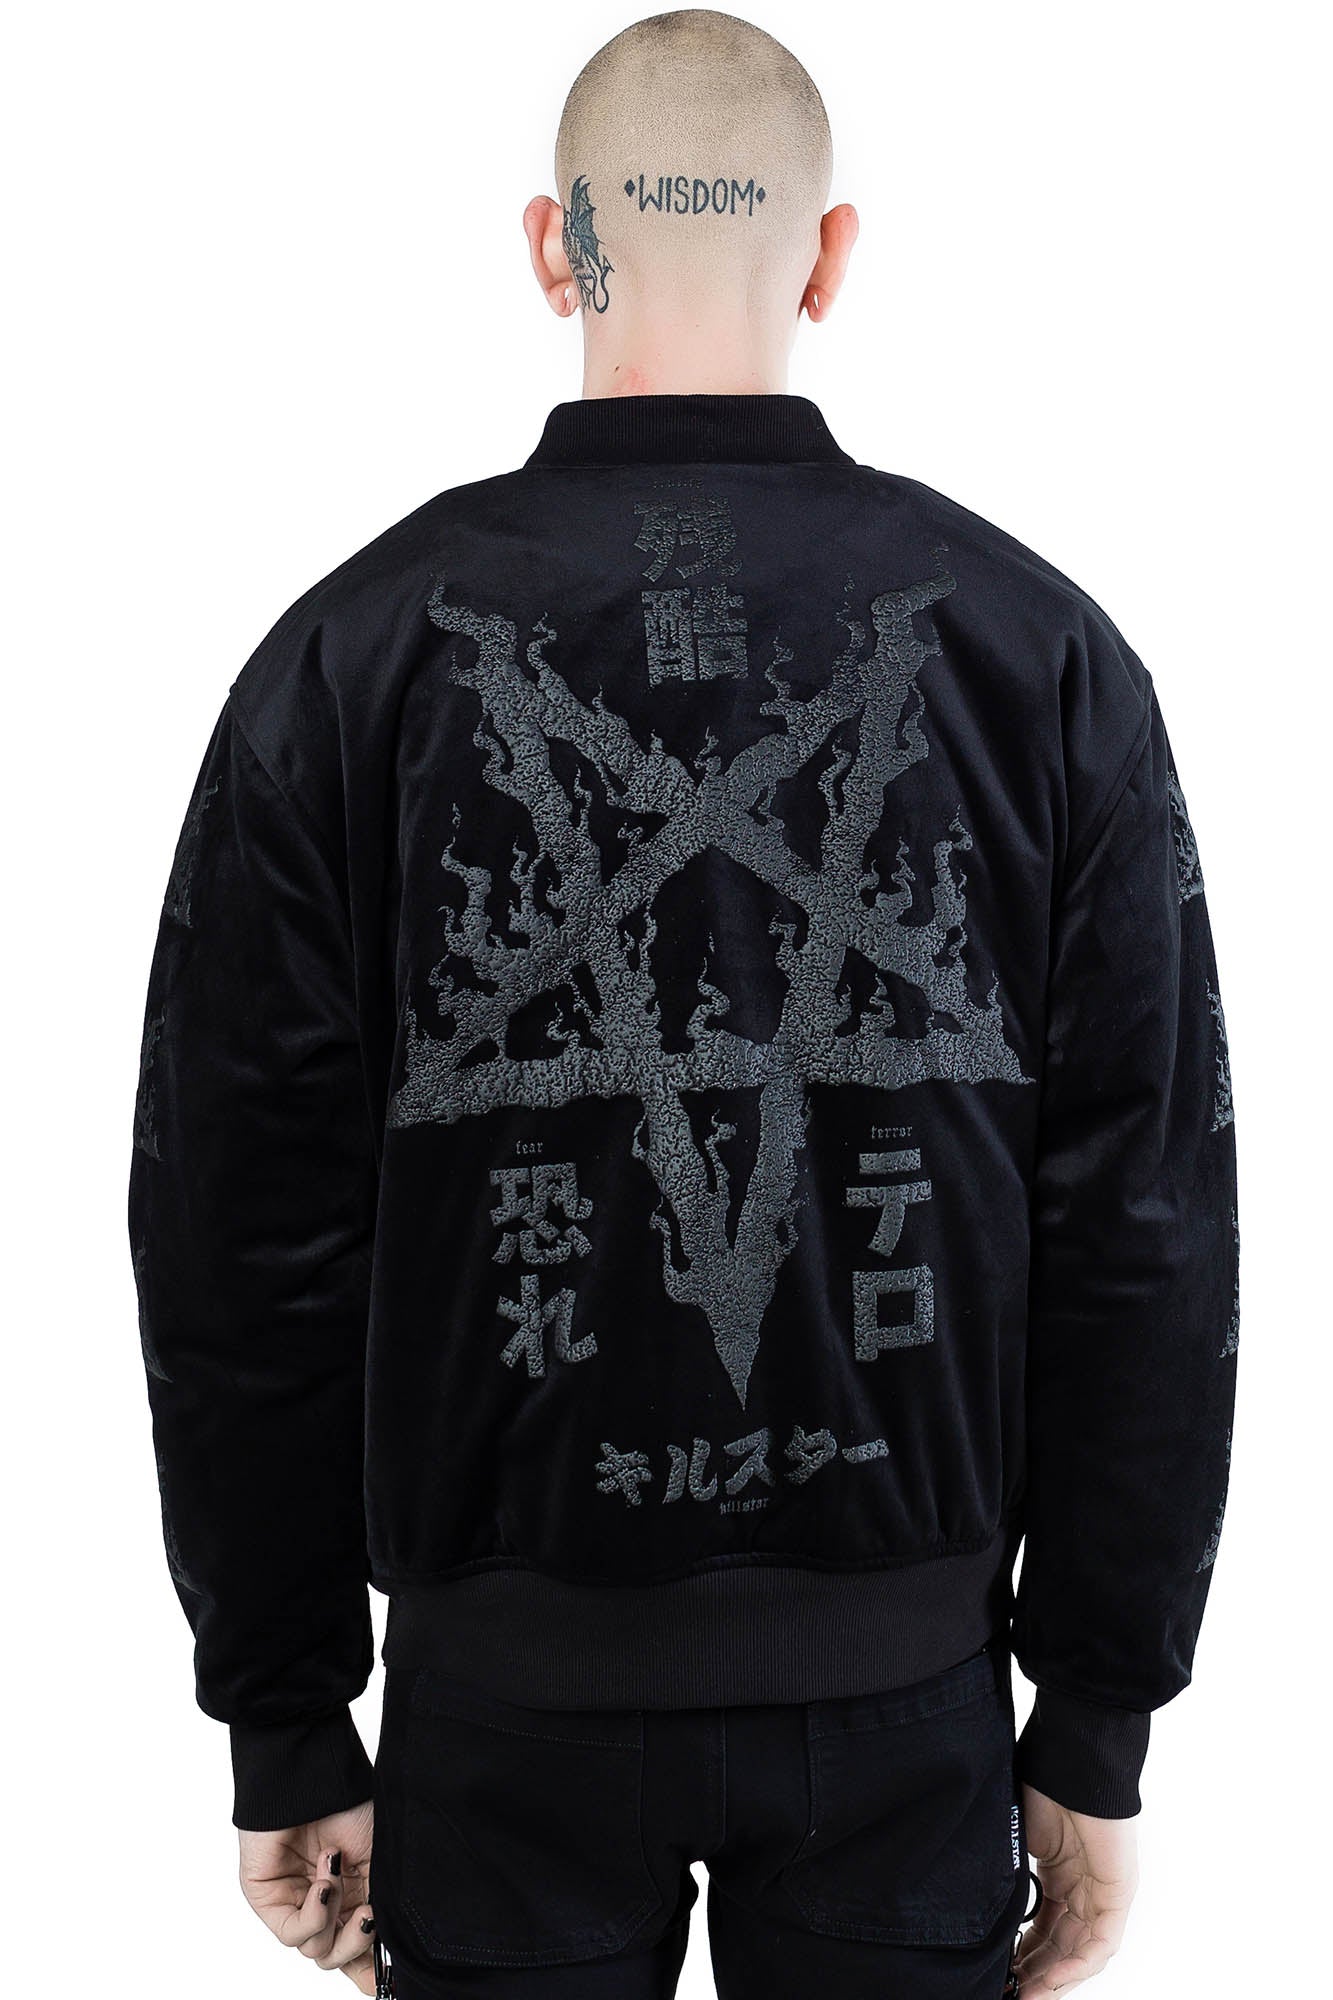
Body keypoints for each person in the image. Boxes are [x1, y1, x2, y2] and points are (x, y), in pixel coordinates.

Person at [126, 10, 1240, 1998]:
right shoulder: (1041, 653)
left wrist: (283, 1711)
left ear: (550, 249)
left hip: (499, 1711)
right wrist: (1092, 1715)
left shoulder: (349, 659)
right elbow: (1143, 1216)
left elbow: (238, 1229)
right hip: (907, 1711)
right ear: (828, 260)